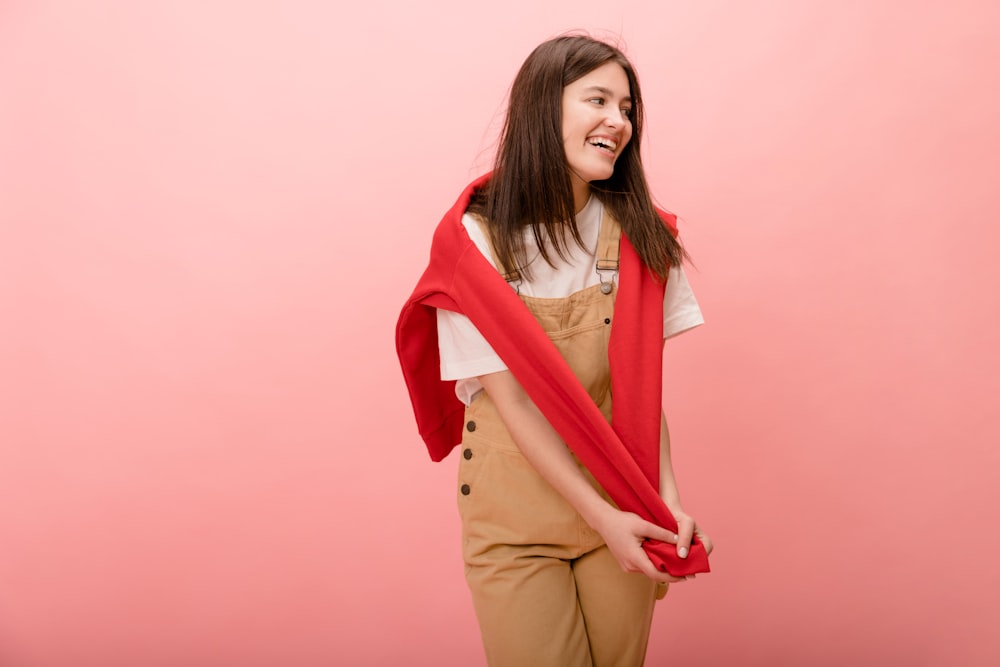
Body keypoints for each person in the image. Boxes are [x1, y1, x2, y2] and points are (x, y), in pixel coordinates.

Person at [396, 34, 713, 666]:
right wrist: (601, 517)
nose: (617, 122)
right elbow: (512, 402)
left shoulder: (642, 235)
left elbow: (640, 392)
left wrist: (667, 503)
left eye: (627, 108)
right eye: (597, 98)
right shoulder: (470, 242)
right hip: (516, 517)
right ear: (545, 107)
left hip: (623, 496)